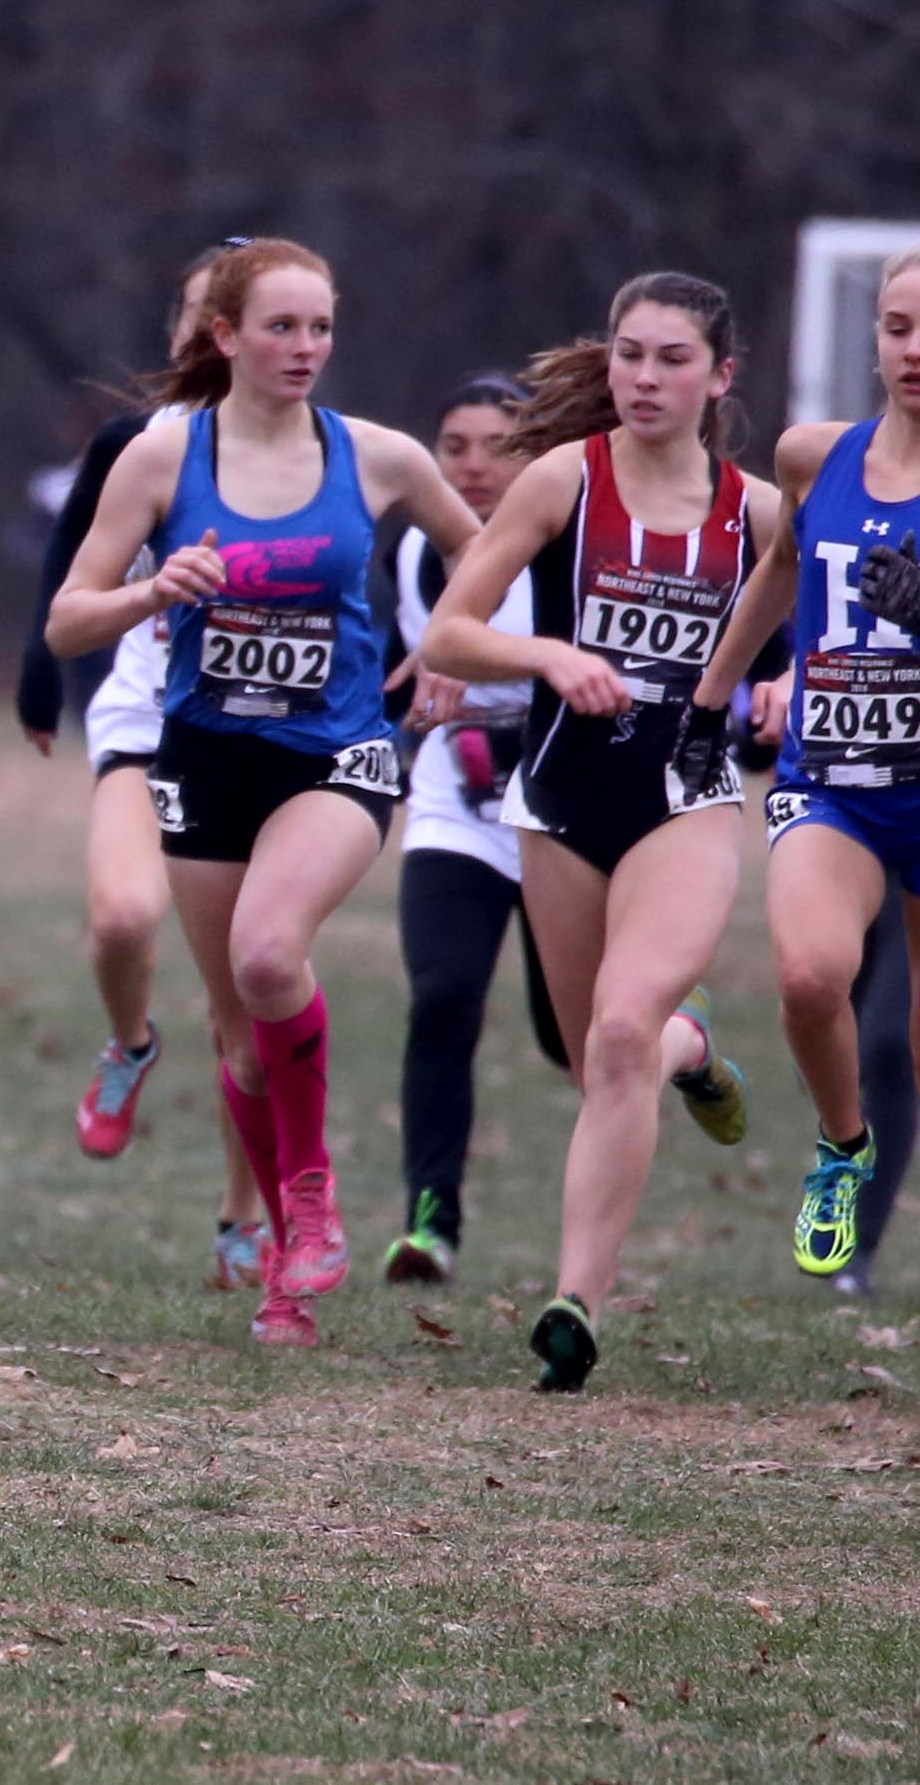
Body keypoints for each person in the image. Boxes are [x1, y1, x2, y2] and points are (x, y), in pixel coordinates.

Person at [45, 238, 483, 1347]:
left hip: (335, 754)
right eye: (281, 328)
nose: (305, 349)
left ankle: (310, 1194)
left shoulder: (376, 456)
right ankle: (289, 1278)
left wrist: (449, 651)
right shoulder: (160, 460)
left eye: (321, 328)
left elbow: (484, 554)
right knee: (241, 1040)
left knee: (269, 954)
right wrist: (154, 586)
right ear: (225, 337)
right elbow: (66, 620)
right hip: (202, 758)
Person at [675, 241, 920, 1418]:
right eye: (897, 327)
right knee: (808, 976)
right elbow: (782, 575)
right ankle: (841, 1147)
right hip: (830, 783)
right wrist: (709, 703)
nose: (913, 350)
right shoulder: (814, 455)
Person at [420, 275, 770, 1389]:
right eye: (630, 355)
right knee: (598, 1061)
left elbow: (823, 630)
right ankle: (695, 1048)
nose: (646, 378)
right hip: (562, 798)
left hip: (688, 798)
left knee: (620, 1032)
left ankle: (575, 1303)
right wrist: (550, 657)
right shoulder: (561, 481)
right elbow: (451, 633)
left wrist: (780, 693)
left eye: (673, 359)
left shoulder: (756, 513)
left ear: (719, 376)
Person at [20, 252, 273, 1287]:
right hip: (147, 716)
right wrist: (38, 678)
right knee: (123, 917)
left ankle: (239, 1218)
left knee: (246, 999)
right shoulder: (139, 445)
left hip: (268, 735)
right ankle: (128, 1045)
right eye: (198, 310)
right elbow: (67, 572)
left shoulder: (328, 458)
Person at [381, 374, 577, 1287]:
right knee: (443, 995)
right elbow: (387, 675)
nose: (471, 463)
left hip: (557, 800)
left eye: (496, 445)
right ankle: (431, 1222)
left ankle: (682, 1035)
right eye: (453, 444)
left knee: (565, 1036)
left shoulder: (572, 543)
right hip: (453, 805)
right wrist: (412, 701)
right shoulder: (419, 547)